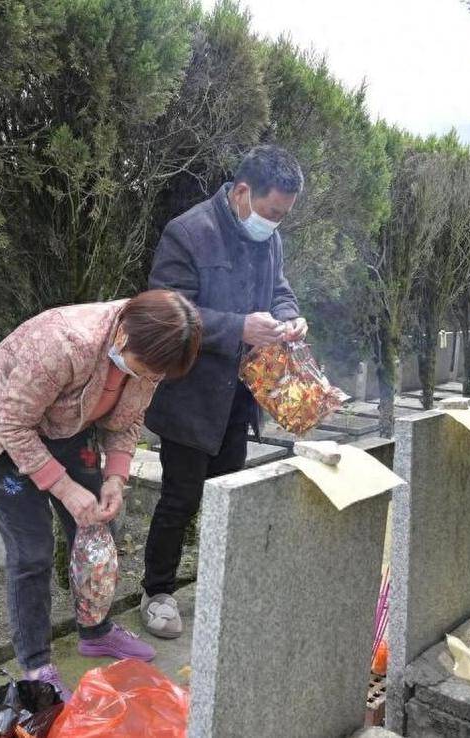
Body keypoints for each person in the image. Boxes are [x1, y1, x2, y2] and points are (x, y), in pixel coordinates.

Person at [0, 289, 201, 699]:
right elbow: (12, 424)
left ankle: (95, 631)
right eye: (144, 370)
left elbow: (128, 418)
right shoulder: (64, 343)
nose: (147, 380)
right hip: (7, 432)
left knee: (97, 529)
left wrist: (115, 478)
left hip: (69, 425)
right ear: (123, 337)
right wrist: (65, 487)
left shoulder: (149, 357)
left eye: (155, 377)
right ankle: (35, 665)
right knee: (32, 552)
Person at [140, 145, 307, 638]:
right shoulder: (189, 233)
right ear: (241, 193)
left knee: (226, 496)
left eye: (282, 217)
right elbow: (167, 313)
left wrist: (291, 314)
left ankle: (217, 582)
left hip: (239, 395)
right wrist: (238, 327)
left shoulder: (268, 239)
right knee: (179, 499)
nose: (273, 224)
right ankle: (158, 591)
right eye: (271, 212)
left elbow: (278, 287)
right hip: (191, 398)